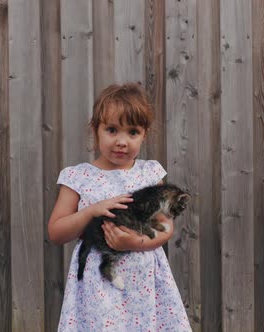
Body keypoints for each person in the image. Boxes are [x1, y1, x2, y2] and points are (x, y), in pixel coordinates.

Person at [48, 82, 191, 331]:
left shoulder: (149, 174)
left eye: (132, 132)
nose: (122, 142)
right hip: (98, 286)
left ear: (145, 134)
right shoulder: (78, 177)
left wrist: (135, 243)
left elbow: (165, 229)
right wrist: (91, 211)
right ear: (96, 130)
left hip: (145, 285)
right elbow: (56, 231)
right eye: (112, 130)